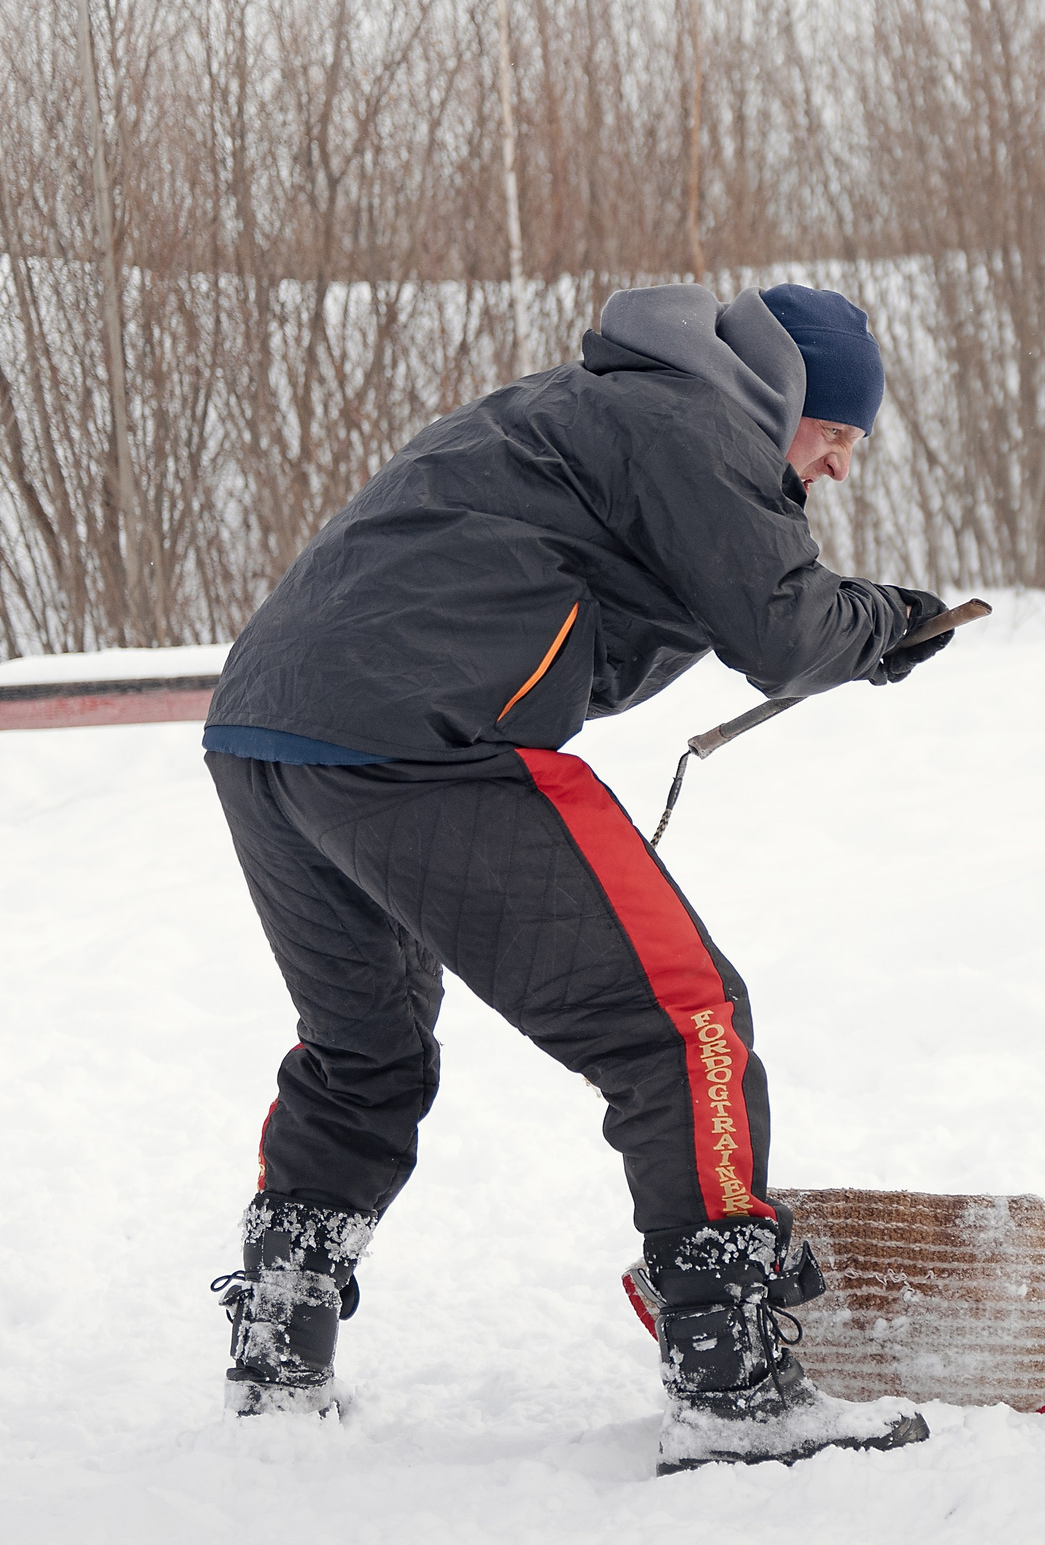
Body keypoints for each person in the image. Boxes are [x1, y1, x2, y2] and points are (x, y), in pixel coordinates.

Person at [201, 282, 949, 1472]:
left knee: (366, 1052)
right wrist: (888, 621)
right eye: (839, 439)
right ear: (790, 399)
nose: (838, 470)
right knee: (681, 1023)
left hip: (266, 736)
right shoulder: (694, 427)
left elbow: (593, 626)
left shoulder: (566, 409)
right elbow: (788, 632)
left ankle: (277, 1350)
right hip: (421, 741)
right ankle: (733, 1385)